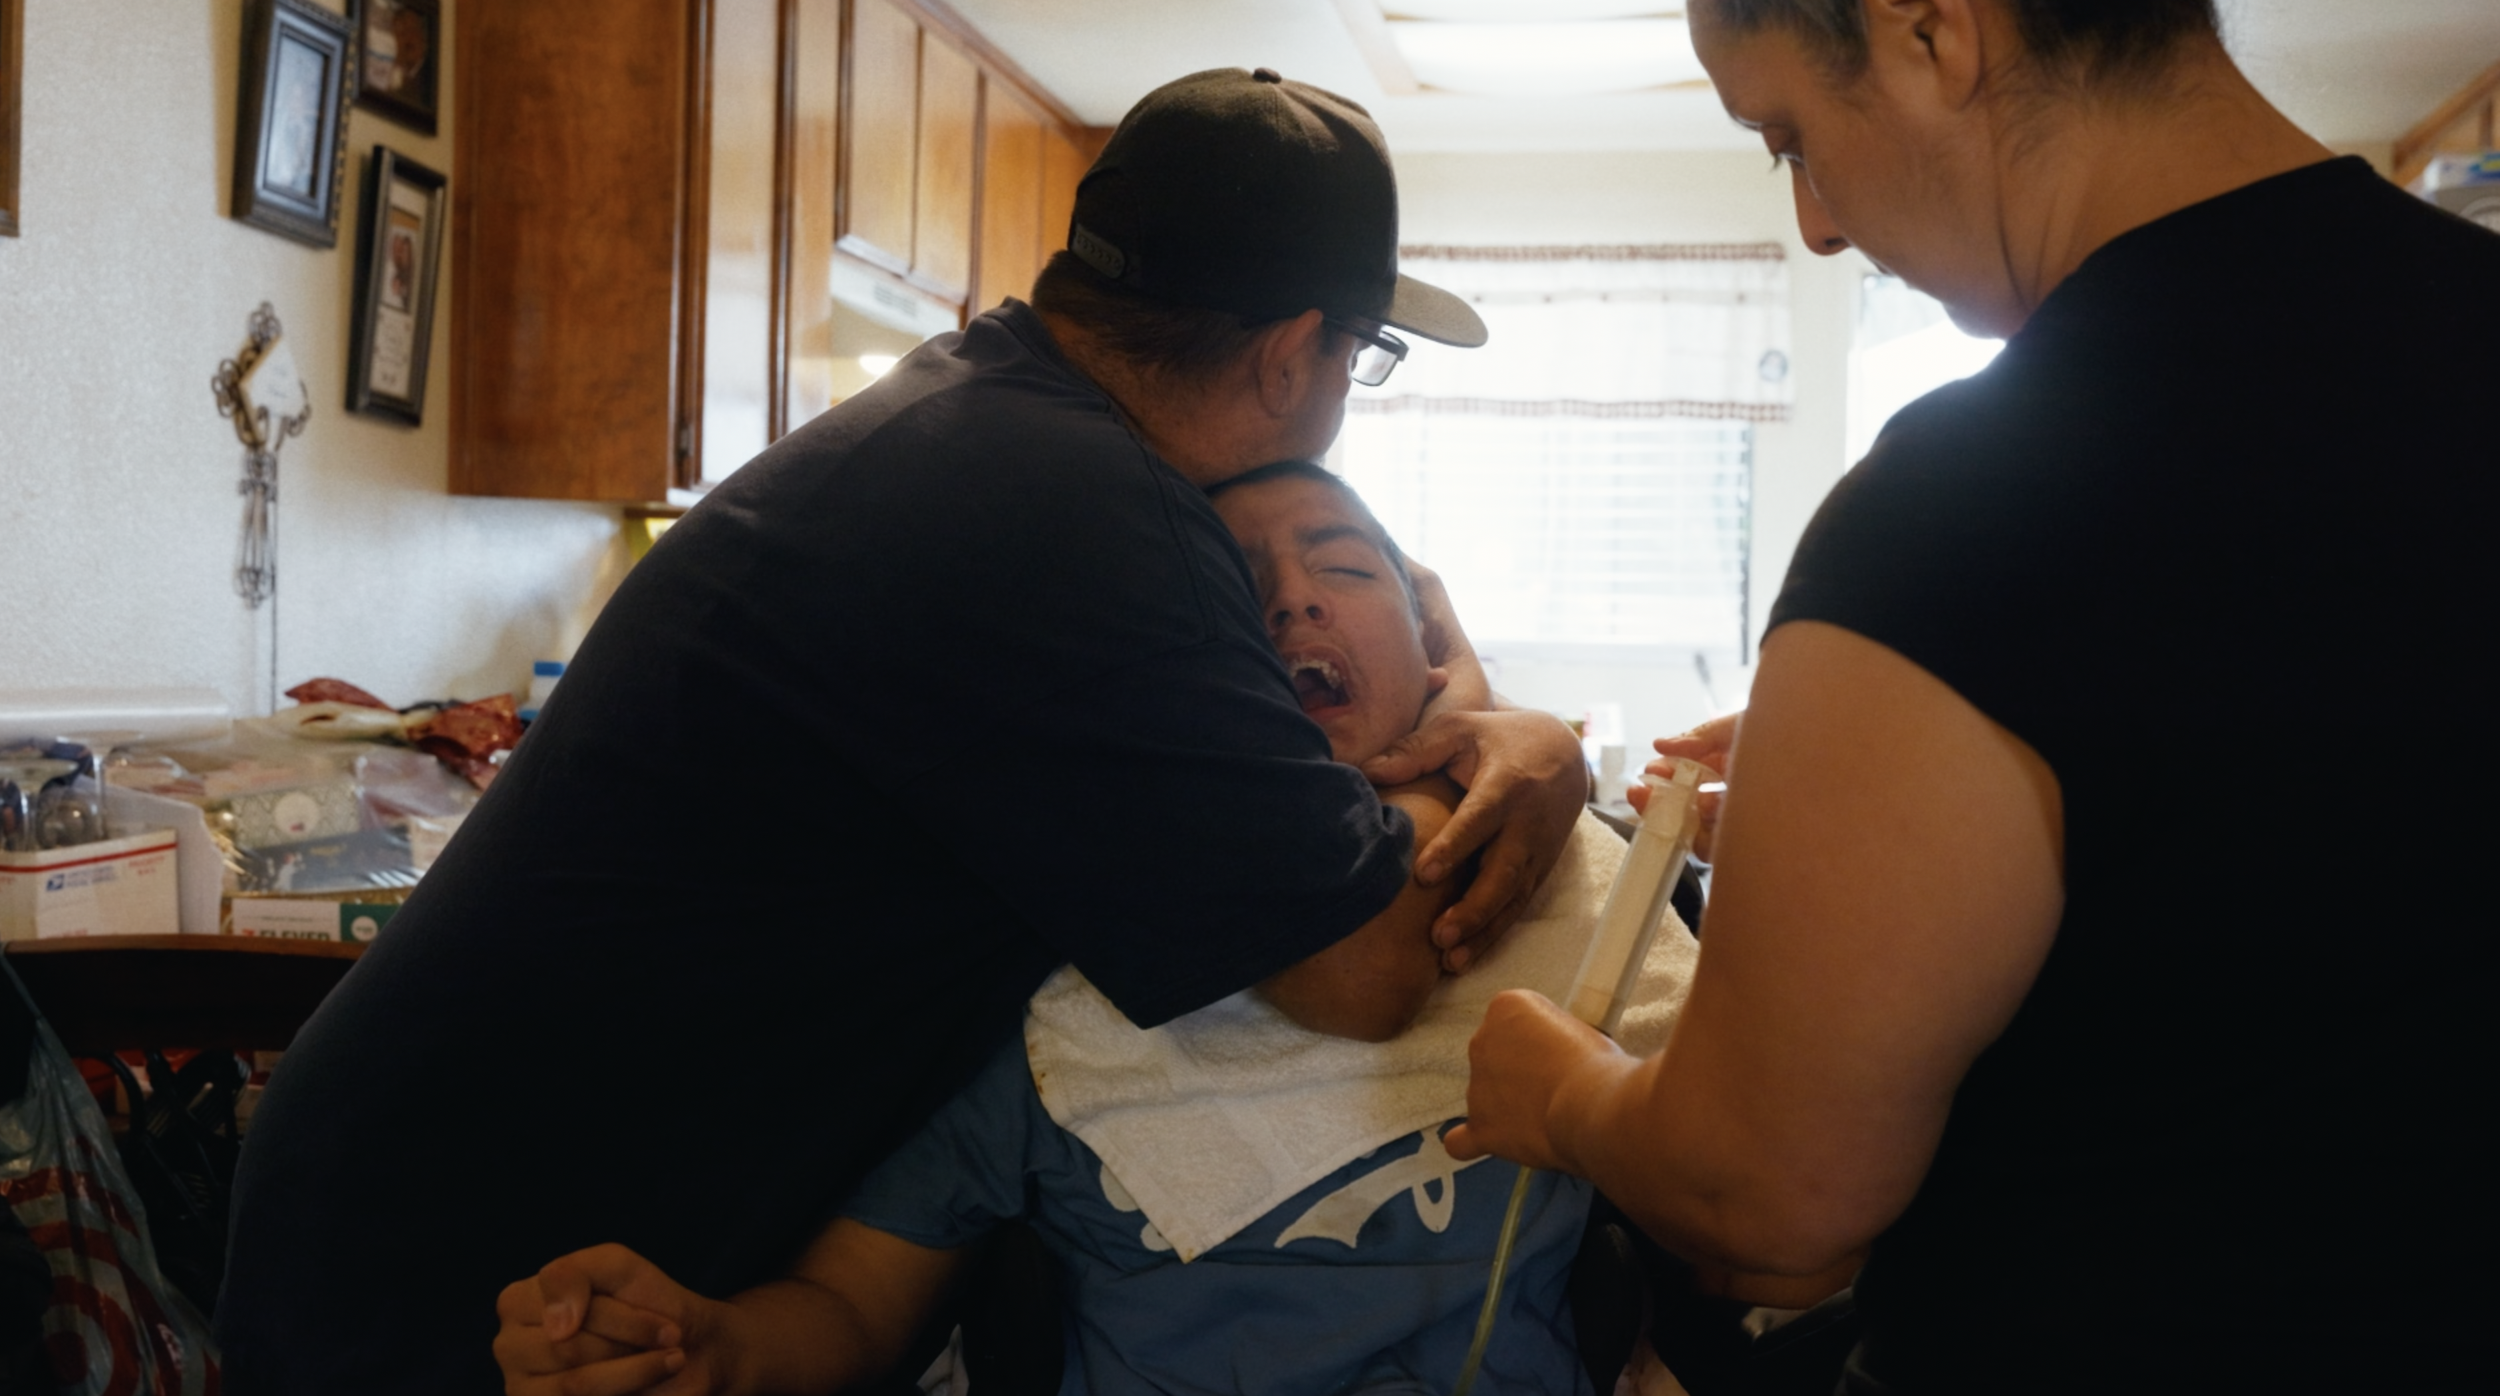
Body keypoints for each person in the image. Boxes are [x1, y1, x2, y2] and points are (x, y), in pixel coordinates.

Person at [219, 70, 1591, 1395]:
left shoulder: (991, 432)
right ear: (1300, 355)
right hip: (468, 1272)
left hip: (503, 1223)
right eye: (1364, 356)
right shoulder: (1077, 513)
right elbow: (1361, 967)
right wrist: (1483, 735)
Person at [1429, 1, 2495, 1391]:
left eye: (1789, 136)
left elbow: (1772, 1200)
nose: (1813, 221)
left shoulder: (1977, 501)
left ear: (1930, 28)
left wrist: (1567, 1095)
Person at [488, 463, 1695, 1396]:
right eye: (1233, 582)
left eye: (1343, 565)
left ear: (1433, 648)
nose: (1289, 595)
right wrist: (708, 1350)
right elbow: (854, 1306)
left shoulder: (1575, 898)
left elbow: (1758, 1217)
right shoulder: (1059, 956)